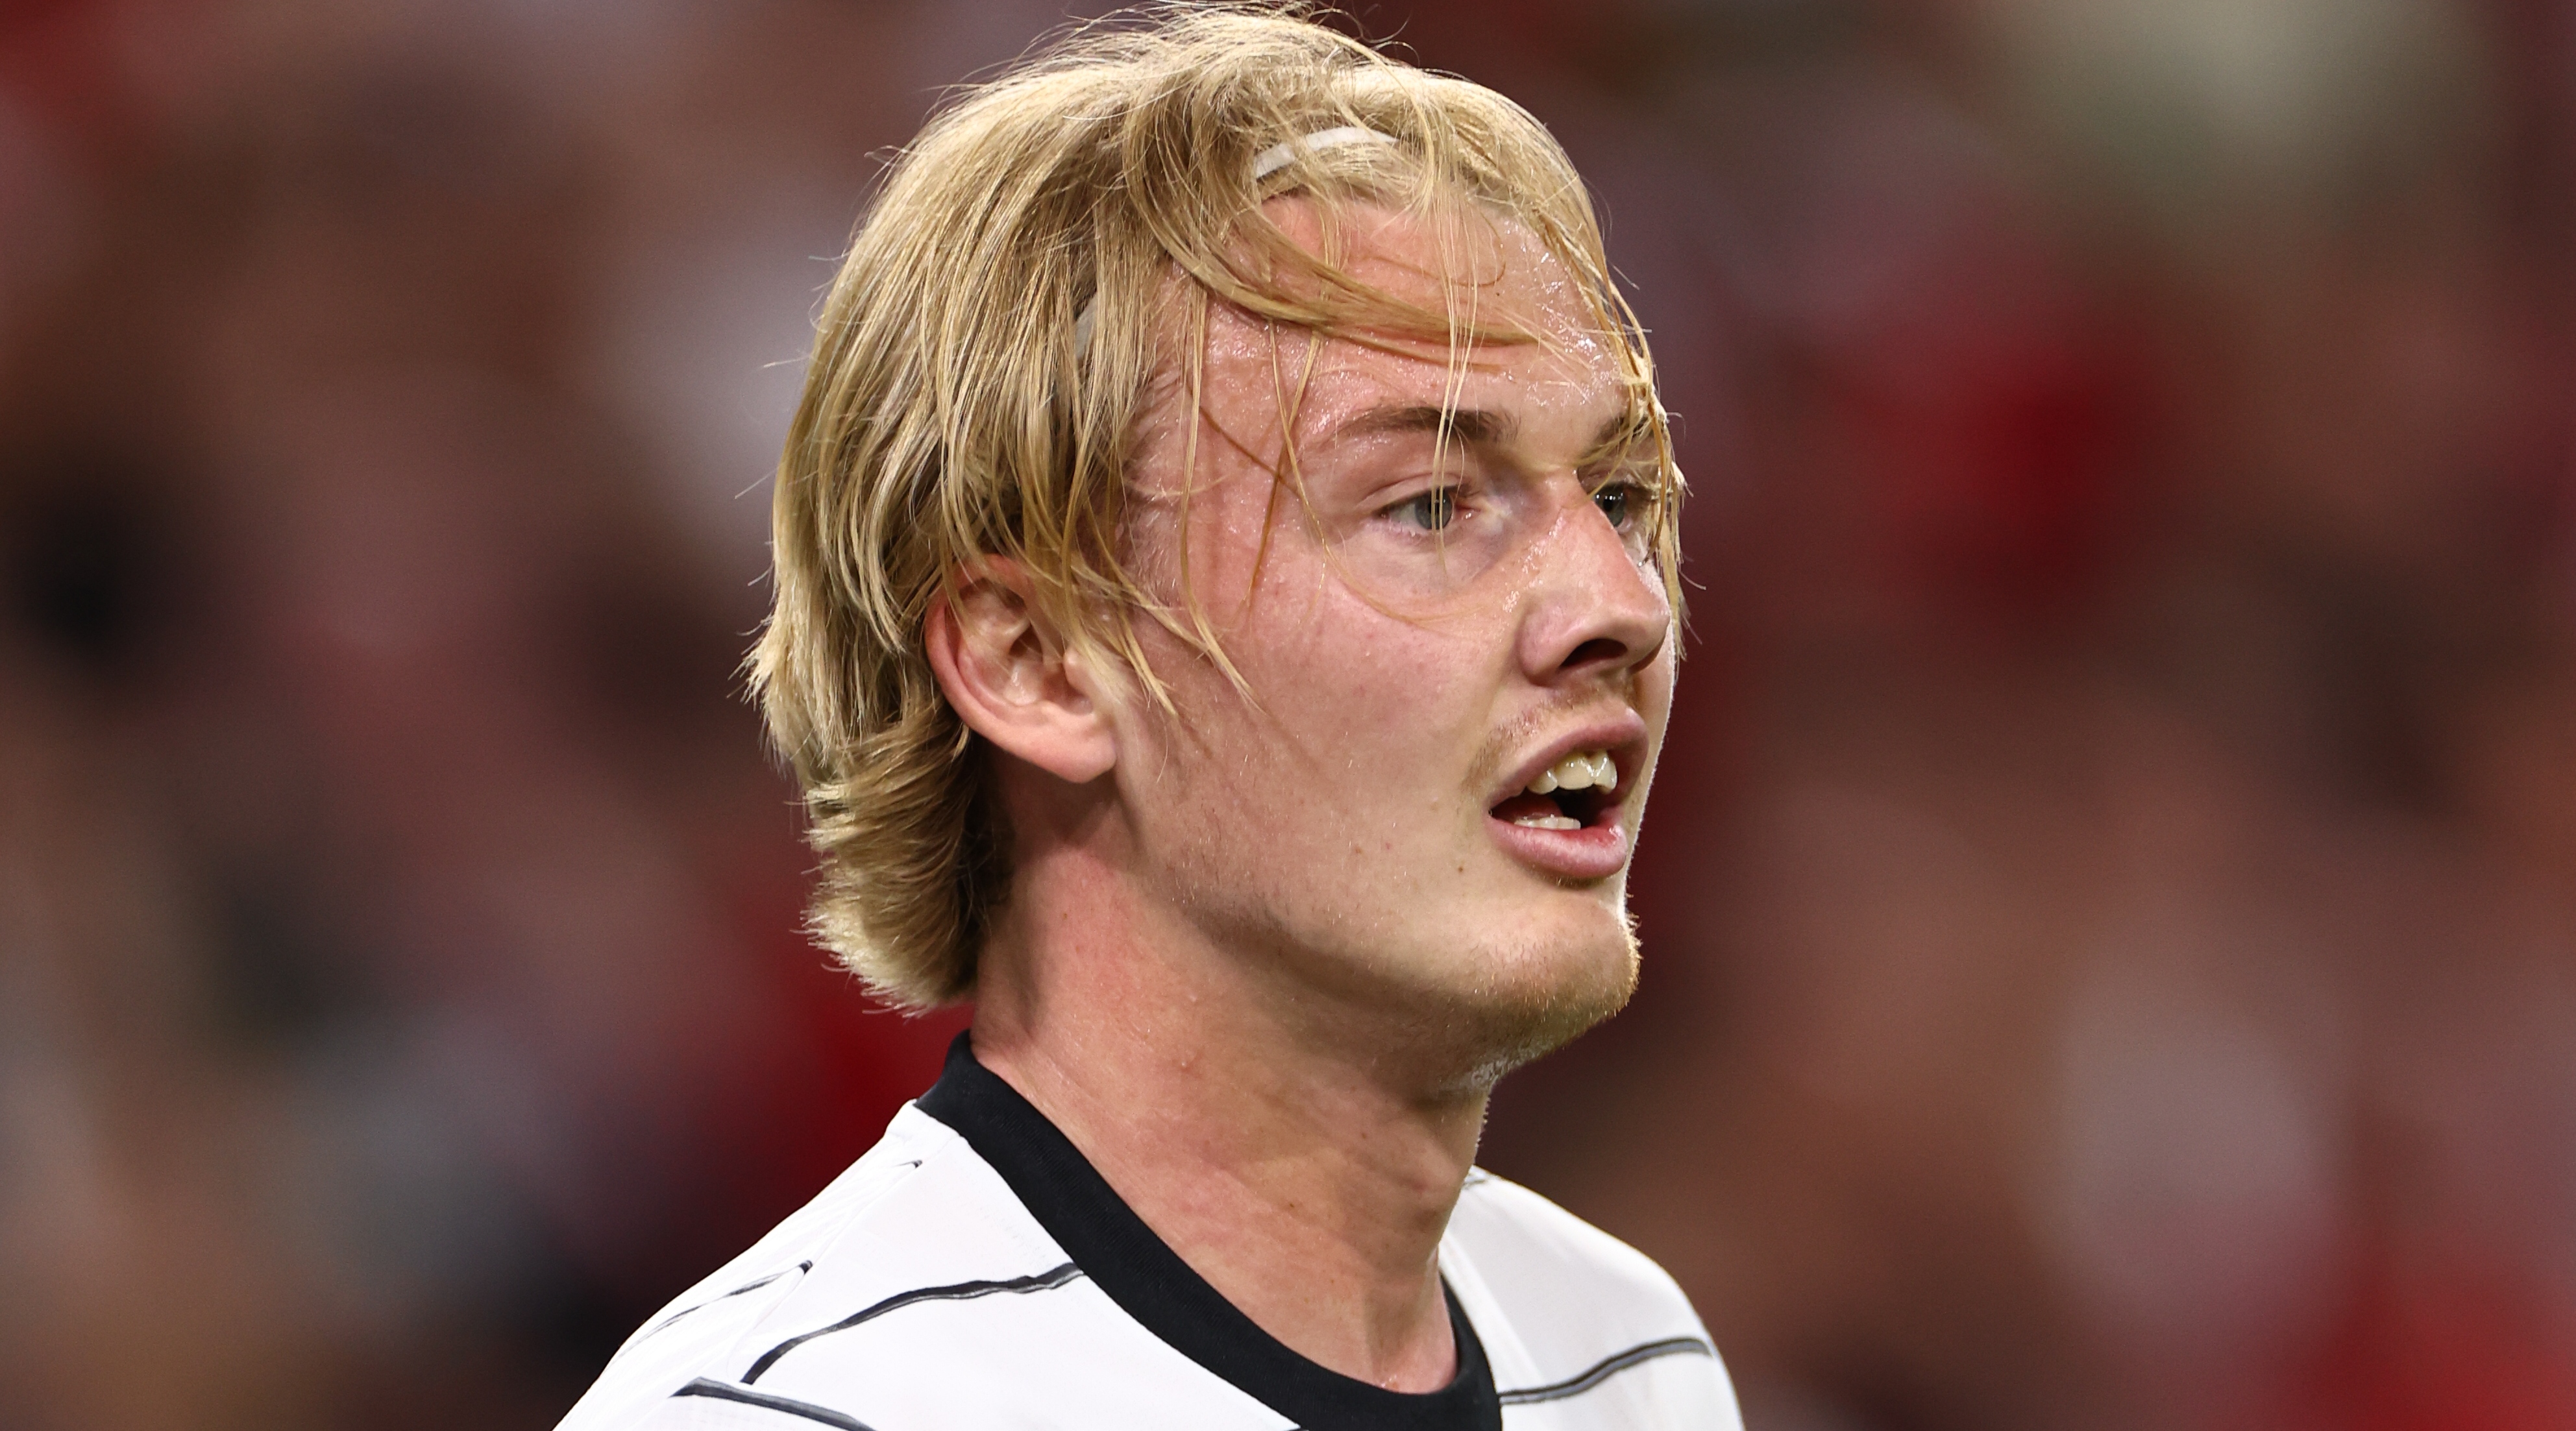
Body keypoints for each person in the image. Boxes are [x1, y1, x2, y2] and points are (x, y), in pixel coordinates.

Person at [558, 8, 1739, 1428]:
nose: (1619, 601)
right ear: (1037, 662)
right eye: (1427, 502)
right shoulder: (799, 1414)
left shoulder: (1627, 1354)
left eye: (1618, 498)